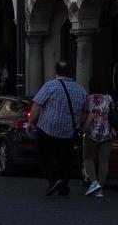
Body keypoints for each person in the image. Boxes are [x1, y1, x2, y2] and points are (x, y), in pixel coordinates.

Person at [26, 59, 88, 197]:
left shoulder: (50, 86)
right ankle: (63, 187)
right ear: (70, 72)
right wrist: (79, 126)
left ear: (56, 72)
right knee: (64, 158)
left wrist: (31, 122)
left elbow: (37, 105)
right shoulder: (81, 89)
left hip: (49, 127)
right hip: (69, 130)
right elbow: (85, 111)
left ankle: (54, 179)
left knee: (43, 153)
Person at [82, 76, 116, 198]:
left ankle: (94, 183)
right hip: (107, 134)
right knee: (104, 162)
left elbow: (89, 118)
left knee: (88, 159)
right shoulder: (109, 98)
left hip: (92, 134)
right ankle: (100, 188)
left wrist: (83, 130)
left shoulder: (88, 99)